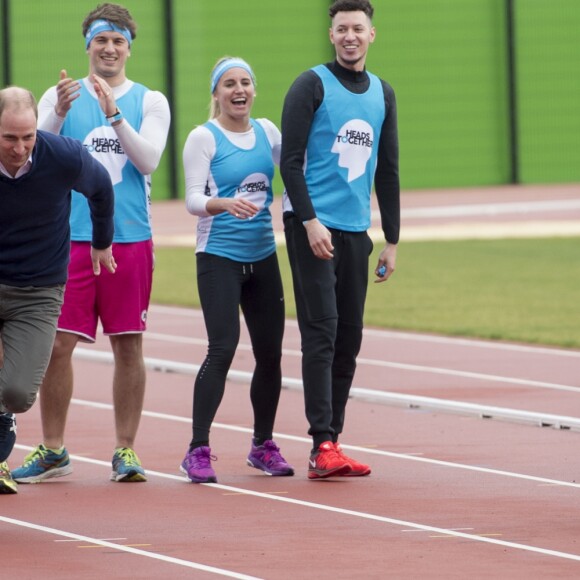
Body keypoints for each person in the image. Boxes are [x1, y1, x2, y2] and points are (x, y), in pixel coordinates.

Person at [12, 3, 171, 485]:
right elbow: (32, 154)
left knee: (129, 344)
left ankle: (125, 449)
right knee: (58, 346)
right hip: (69, 241)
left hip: (129, 240)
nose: (109, 48)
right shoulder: (60, 95)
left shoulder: (150, 100)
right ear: (88, 46)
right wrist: (58, 112)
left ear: (129, 47)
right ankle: (54, 449)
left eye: (118, 40)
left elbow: (149, 162)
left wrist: (114, 114)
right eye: (101, 40)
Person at [280, 0, 400, 479]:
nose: (350, 36)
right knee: (322, 331)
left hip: (356, 233)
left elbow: (387, 170)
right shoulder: (310, 84)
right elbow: (289, 162)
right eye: (341, 29)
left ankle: (333, 441)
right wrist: (309, 221)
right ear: (331, 36)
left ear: (372, 35)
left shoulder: (383, 94)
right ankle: (321, 443)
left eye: (358, 28)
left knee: (349, 336)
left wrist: (391, 238)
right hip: (311, 228)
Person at [180, 56, 293, 483]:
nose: (238, 90)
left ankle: (262, 445)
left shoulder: (267, 132)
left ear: (254, 89)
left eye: (245, 82)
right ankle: (197, 450)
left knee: (271, 353)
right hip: (219, 258)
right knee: (222, 348)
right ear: (216, 93)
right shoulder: (203, 137)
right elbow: (192, 199)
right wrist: (223, 203)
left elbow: (295, 173)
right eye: (229, 84)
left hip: (263, 255)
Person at [0, 87, 115, 494]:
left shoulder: (63, 156)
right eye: (9, 138)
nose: (20, 148)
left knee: (16, 392)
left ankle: (5, 414)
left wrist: (102, 241)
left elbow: (101, 188)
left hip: (38, 287)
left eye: (28, 137)